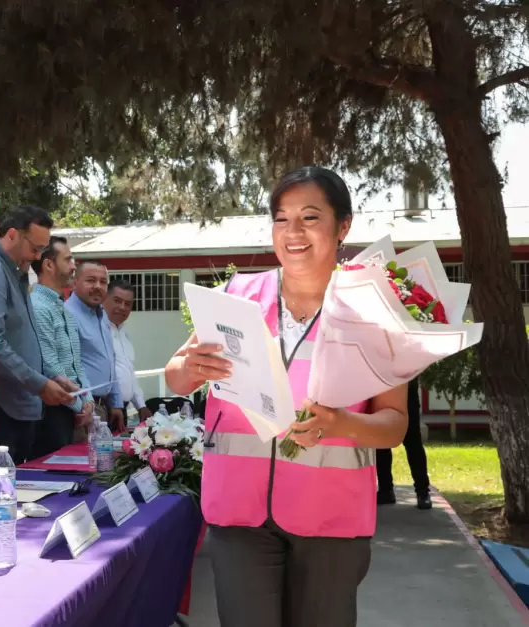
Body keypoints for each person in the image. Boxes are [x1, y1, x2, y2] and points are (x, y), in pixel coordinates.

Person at [164, 166, 409, 627]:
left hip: (331, 520)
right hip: (239, 516)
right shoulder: (237, 296)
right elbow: (177, 379)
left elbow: (395, 423)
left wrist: (343, 425)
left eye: (310, 217)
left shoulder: (374, 313)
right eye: (281, 218)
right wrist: (189, 368)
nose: (292, 232)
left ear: (343, 227)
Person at [0, 205, 73, 465]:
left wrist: (50, 376)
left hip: (22, 406)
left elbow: (23, 338)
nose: (39, 256)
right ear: (11, 235)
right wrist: (40, 384)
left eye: (43, 249)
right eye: (35, 248)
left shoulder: (17, 272)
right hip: (3, 409)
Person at [30, 236, 95, 456]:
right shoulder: (38, 307)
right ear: (48, 265)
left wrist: (89, 403)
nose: (73, 266)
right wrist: (81, 408)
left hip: (73, 413)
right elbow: (50, 366)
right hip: (53, 413)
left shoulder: (64, 310)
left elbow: (77, 365)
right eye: (67, 260)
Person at [65, 260, 126, 431]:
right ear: (74, 283)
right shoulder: (67, 314)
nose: (98, 286)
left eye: (103, 282)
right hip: (81, 409)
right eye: (91, 280)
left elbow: (109, 360)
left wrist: (116, 402)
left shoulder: (102, 316)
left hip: (103, 408)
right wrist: (83, 404)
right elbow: (69, 366)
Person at [377, 376, 432, 509]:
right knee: (381, 442)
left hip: (406, 392)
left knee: (413, 442)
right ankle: (386, 490)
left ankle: (423, 492)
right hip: (382, 392)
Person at [102, 279, 152, 423]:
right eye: (117, 301)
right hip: (105, 406)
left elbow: (128, 371)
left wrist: (141, 405)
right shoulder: (98, 330)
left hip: (122, 408)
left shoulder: (124, 332)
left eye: (128, 304)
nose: (122, 307)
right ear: (104, 299)